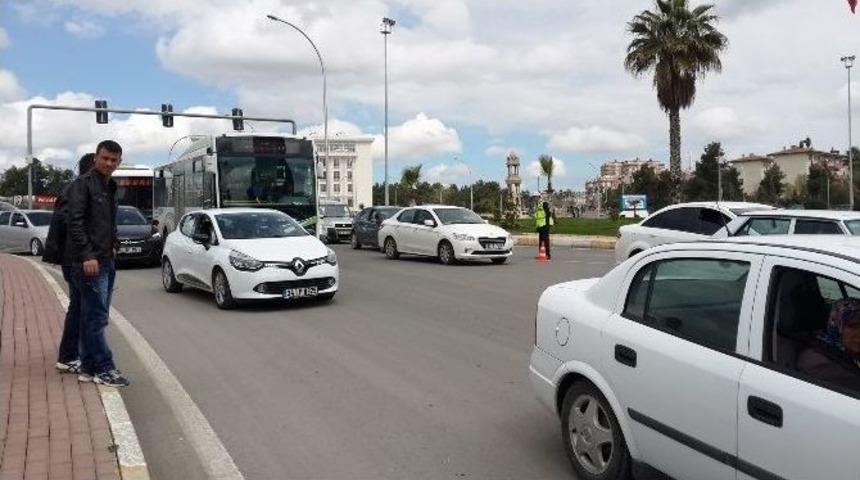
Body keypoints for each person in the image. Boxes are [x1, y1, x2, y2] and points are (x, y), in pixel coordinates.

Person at [65, 140, 129, 387]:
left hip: (106, 259)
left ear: (119, 162)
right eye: (105, 158)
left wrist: (113, 244)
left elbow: (107, 222)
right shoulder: (82, 185)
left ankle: (88, 368)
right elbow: (76, 223)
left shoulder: (109, 186)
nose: (109, 163)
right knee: (97, 318)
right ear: (96, 158)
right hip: (90, 262)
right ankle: (104, 368)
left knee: (91, 316)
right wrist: (87, 255)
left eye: (114, 160)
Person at [47, 153, 94, 375]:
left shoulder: (73, 189)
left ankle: (72, 354)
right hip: (76, 259)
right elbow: (71, 224)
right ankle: (69, 356)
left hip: (73, 258)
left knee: (80, 307)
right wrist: (87, 254)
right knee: (81, 309)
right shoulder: (78, 190)